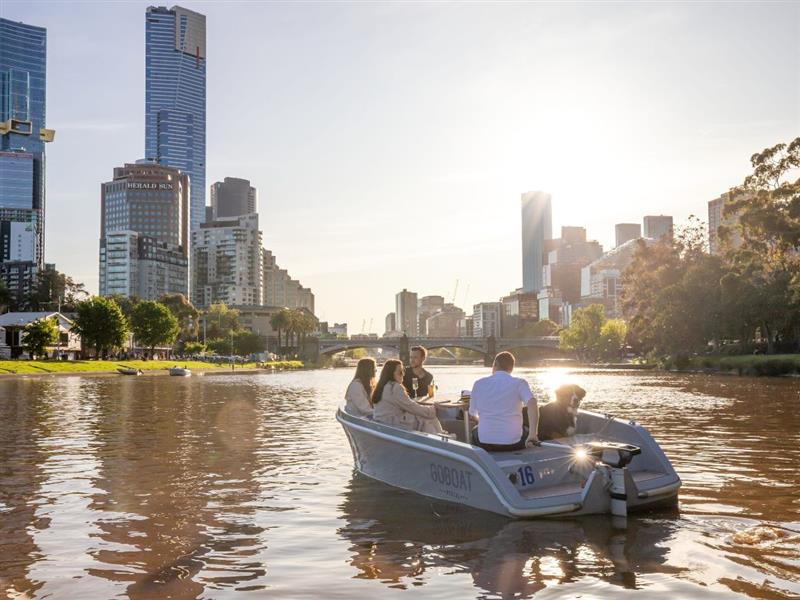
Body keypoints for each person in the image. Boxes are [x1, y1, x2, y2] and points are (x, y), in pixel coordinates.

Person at [468, 351, 539, 451]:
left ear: (495, 364)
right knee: (525, 430)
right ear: (512, 368)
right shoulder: (519, 383)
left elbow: (473, 414)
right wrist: (533, 434)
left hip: (485, 442)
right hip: (514, 442)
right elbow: (532, 403)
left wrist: (486, 421)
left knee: (475, 430)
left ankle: (477, 460)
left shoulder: (478, 384)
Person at [373, 359, 447, 434]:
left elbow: (408, 405)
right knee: (427, 417)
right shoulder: (395, 387)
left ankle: (438, 435)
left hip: (383, 421)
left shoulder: (382, 386)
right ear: (391, 373)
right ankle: (439, 438)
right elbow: (411, 407)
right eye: (400, 372)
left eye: (403, 371)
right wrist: (432, 409)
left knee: (421, 416)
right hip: (393, 423)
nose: (403, 374)